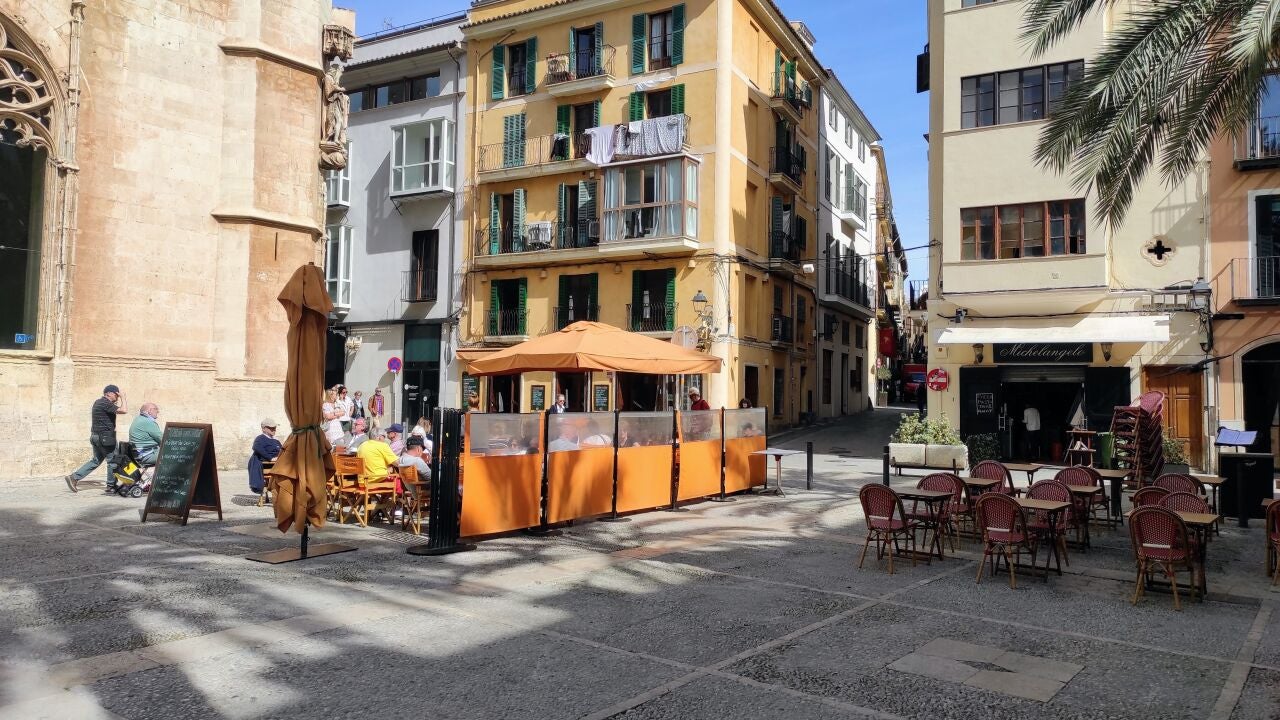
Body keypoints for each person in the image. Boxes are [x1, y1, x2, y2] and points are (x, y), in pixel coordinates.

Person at [65, 384, 128, 493]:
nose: (117, 396)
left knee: (96, 460)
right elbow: (124, 410)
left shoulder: (98, 402)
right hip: (106, 438)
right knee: (113, 461)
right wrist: (123, 397)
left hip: (96, 436)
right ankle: (111, 486)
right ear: (108, 393)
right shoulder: (105, 403)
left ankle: (74, 477)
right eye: (116, 394)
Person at [248, 419, 282, 495]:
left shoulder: (276, 441)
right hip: (269, 466)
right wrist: (270, 458)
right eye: (271, 428)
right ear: (264, 429)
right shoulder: (260, 439)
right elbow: (256, 447)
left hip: (278, 465)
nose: (274, 429)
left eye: (275, 427)